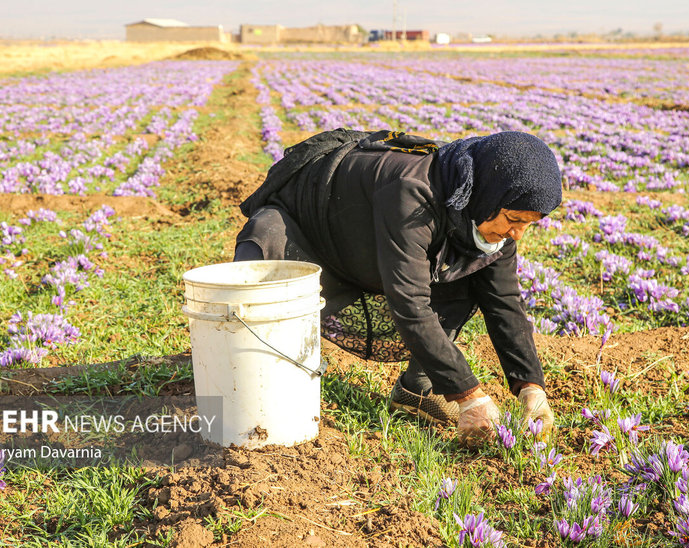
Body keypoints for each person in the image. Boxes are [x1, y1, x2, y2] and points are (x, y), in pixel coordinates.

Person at [234, 128, 561, 445]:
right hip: (306, 230)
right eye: (513, 219)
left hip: (367, 245)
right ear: (489, 195)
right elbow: (410, 304)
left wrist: (530, 385)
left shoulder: (487, 212)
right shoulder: (413, 192)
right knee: (262, 292)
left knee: (465, 279)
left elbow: (504, 303)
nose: (517, 234)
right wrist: (469, 396)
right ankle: (244, 374)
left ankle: (417, 389)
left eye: (528, 224)